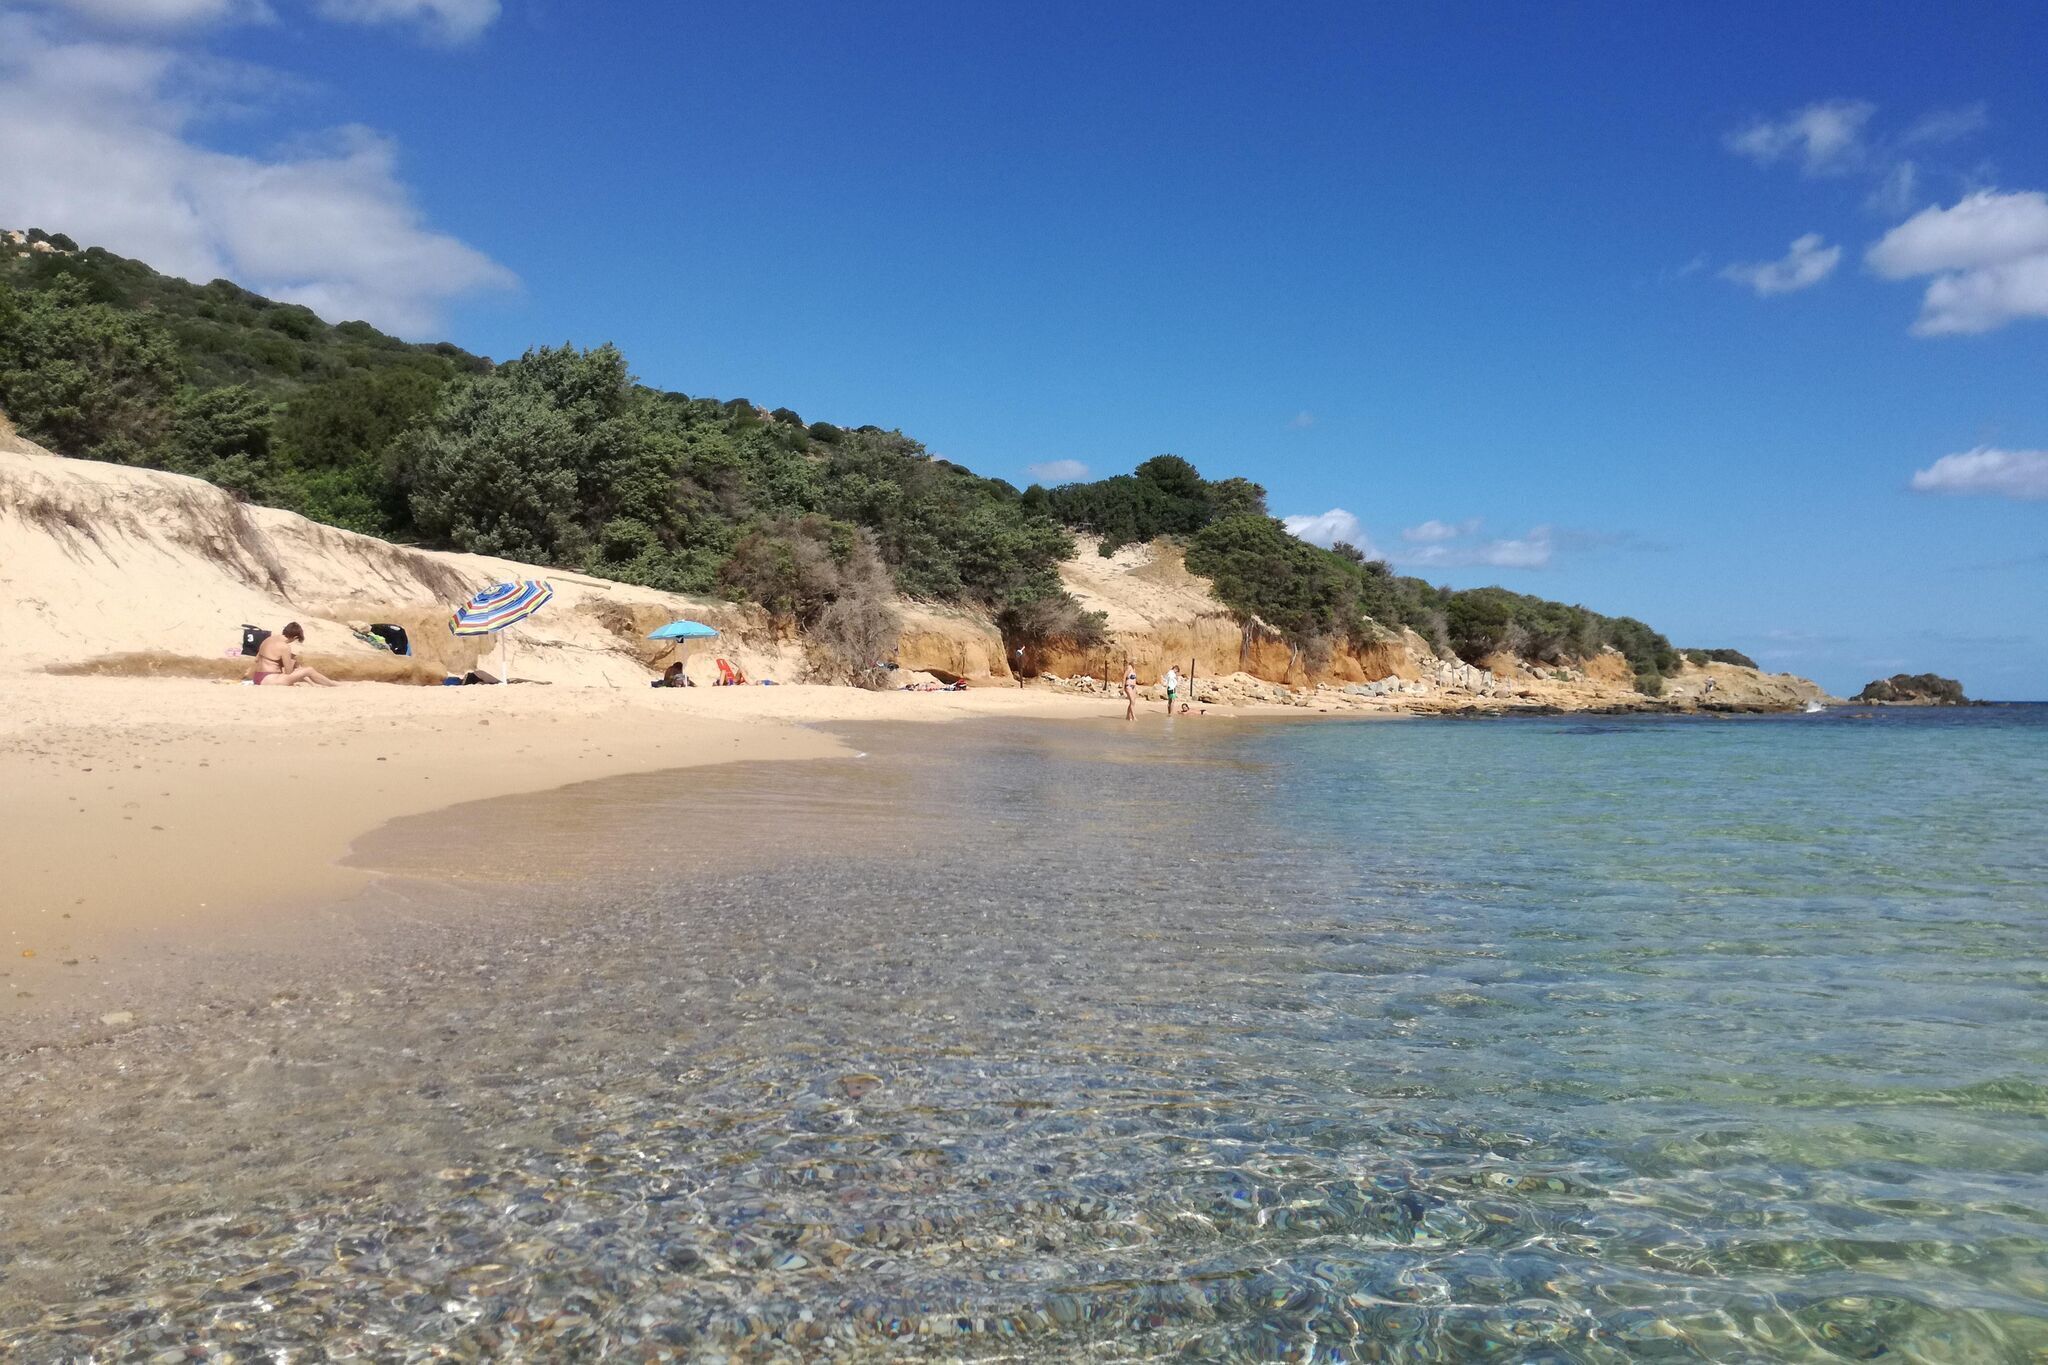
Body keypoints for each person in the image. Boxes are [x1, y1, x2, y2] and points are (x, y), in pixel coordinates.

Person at [249, 622, 337, 687]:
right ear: (295, 637)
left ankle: (314, 684)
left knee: (297, 666)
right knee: (309, 670)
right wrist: (293, 663)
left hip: (257, 677)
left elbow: (256, 659)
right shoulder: (285, 647)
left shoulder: (268, 639)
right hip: (270, 679)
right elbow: (289, 672)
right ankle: (333, 684)